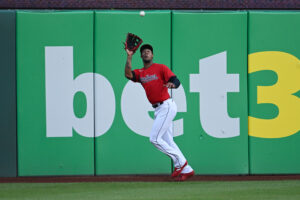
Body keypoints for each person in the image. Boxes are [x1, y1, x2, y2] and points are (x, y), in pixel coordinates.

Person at [124, 44, 194, 181]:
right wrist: (129, 56)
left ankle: (181, 162)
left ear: (152, 55)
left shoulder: (160, 67)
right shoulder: (140, 73)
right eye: (143, 52)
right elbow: (128, 74)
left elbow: (175, 80)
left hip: (166, 106)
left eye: (148, 51)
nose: (146, 53)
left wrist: (173, 84)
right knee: (168, 141)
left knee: (154, 139)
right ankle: (187, 169)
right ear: (141, 56)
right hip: (158, 109)